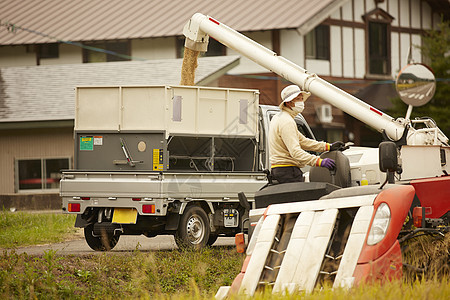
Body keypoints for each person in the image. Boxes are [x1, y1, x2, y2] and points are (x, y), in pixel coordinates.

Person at [269, 85, 344, 184]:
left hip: (280, 171)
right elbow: (295, 152)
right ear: (288, 102)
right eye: (297, 99)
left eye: (301, 99)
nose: (301, 102)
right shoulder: (287, 122)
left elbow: (302, 141)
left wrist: (327, 146)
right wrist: (319, 161)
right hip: (288, 172)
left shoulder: (279, 117)